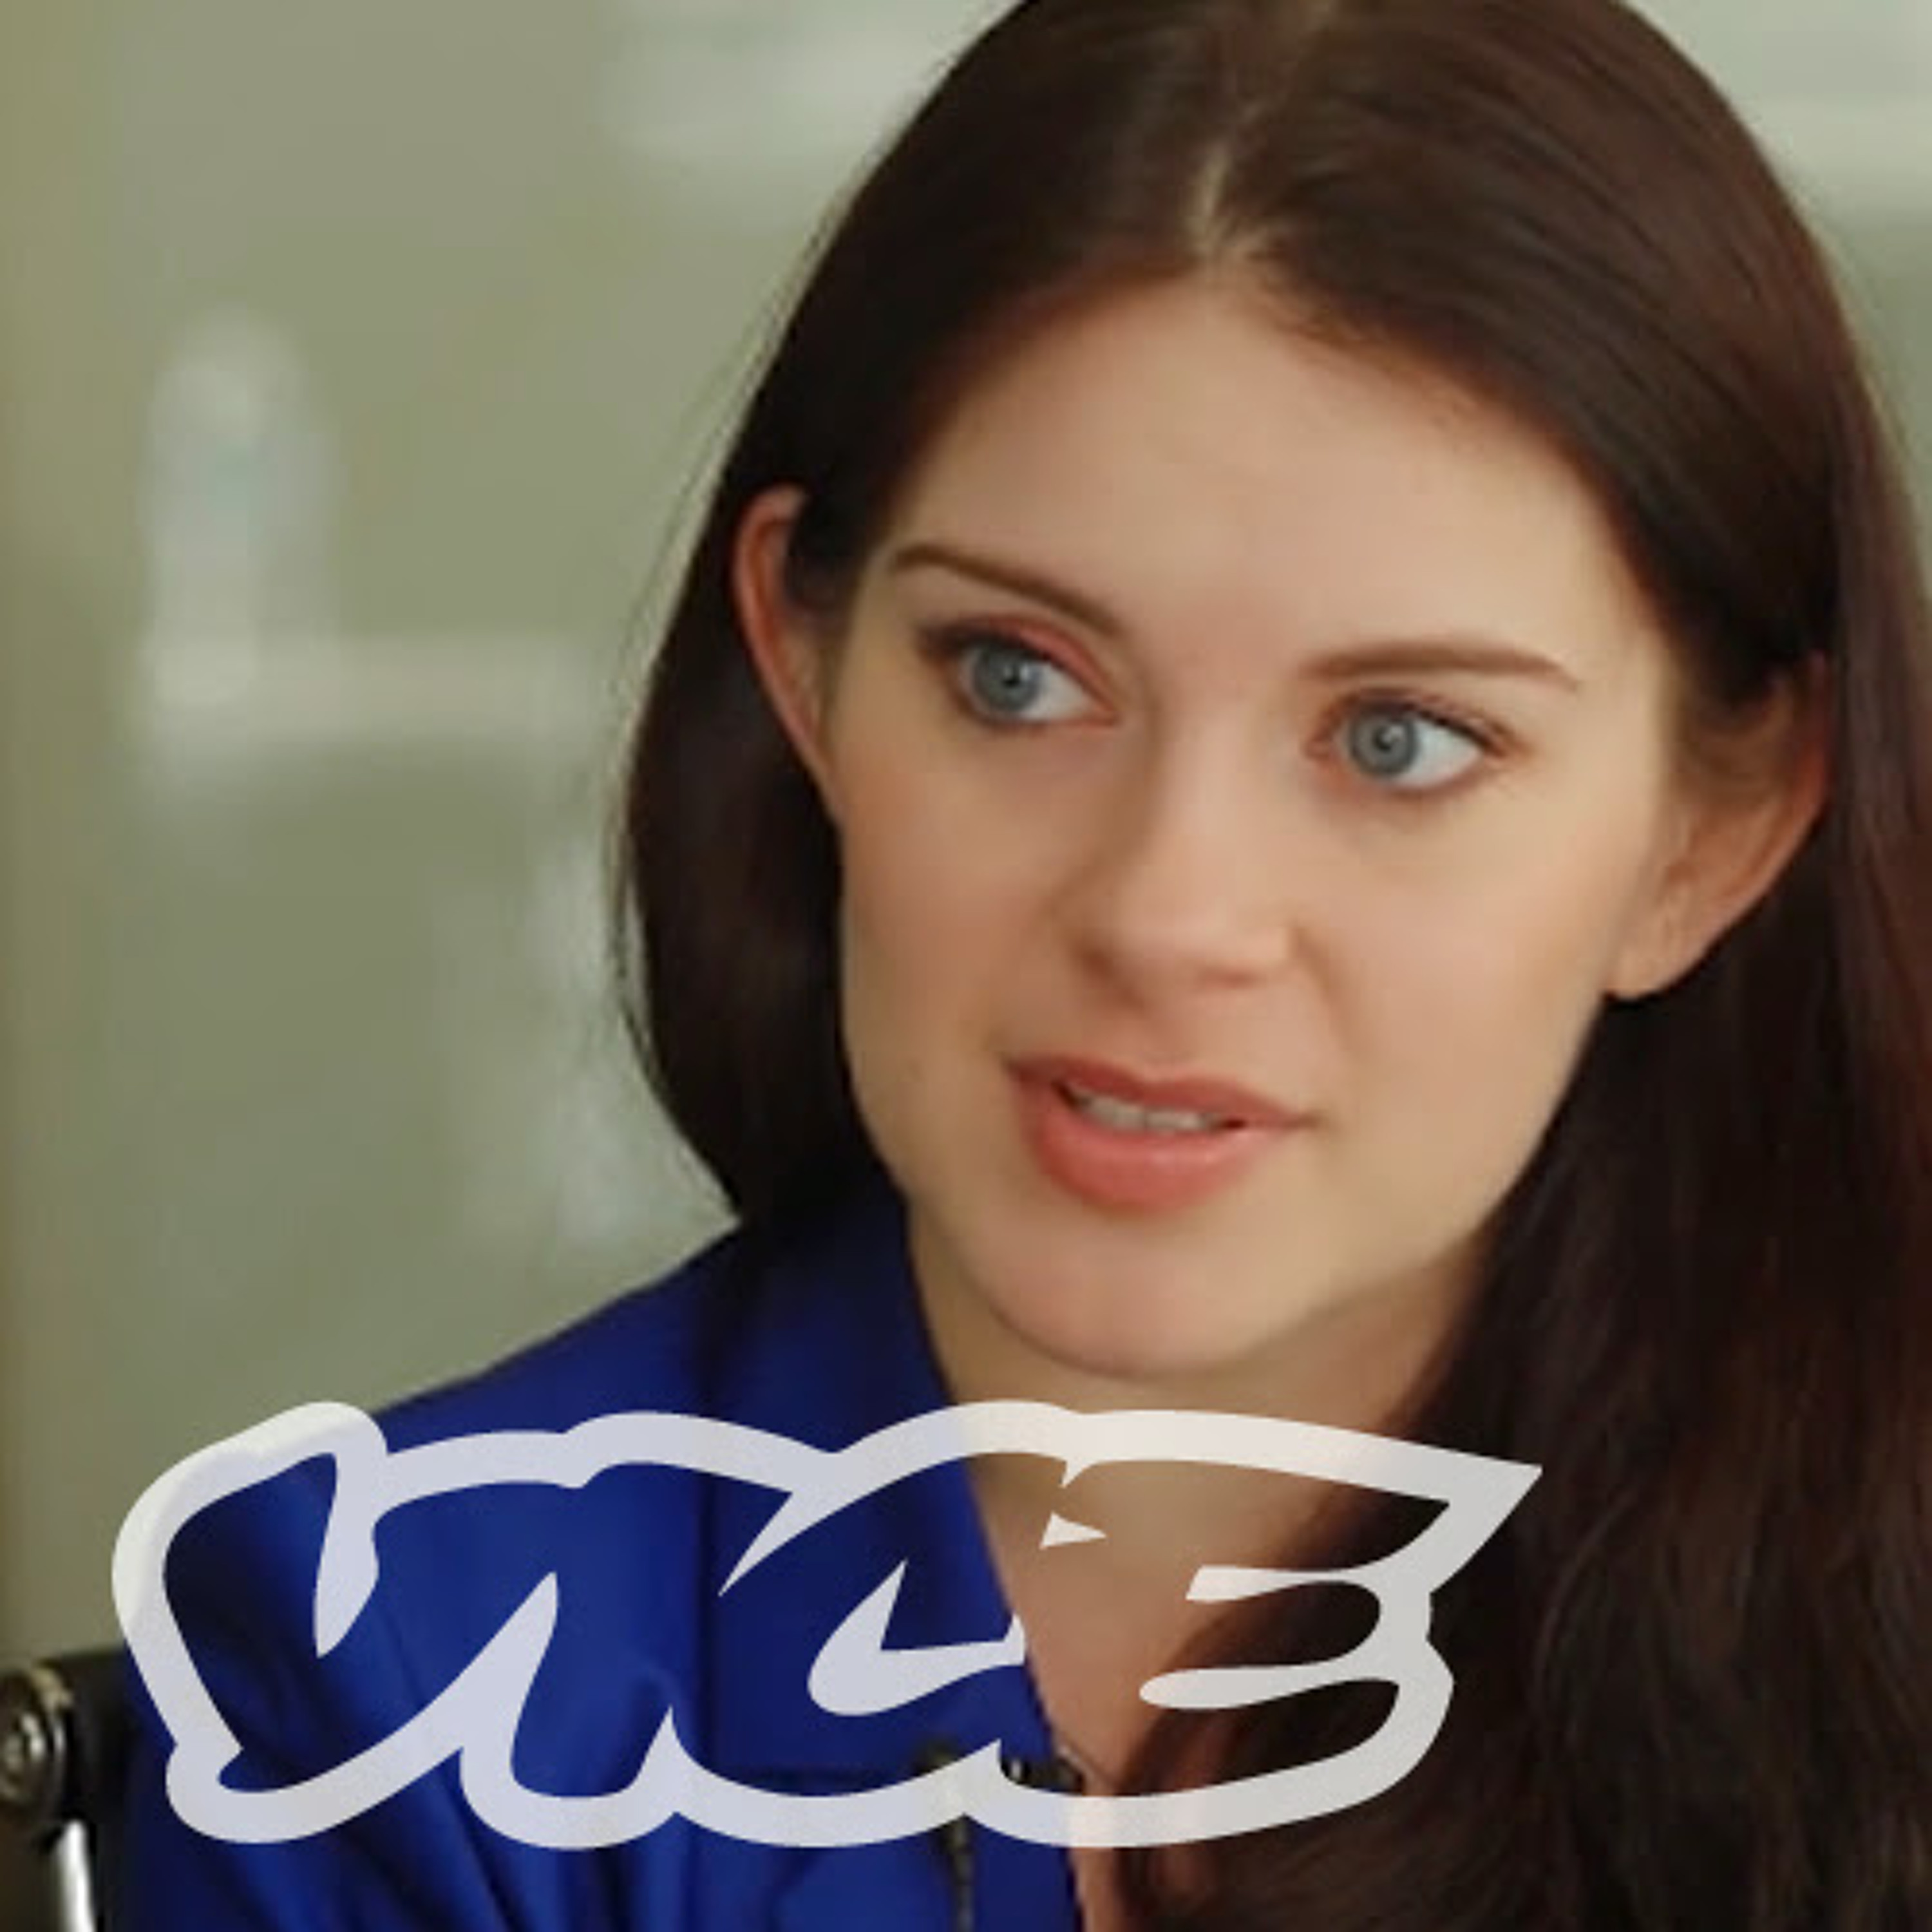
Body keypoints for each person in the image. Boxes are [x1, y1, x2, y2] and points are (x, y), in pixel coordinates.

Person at [124, 0, 1932, 1926]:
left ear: (1718, 825)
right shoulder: (391, 1671)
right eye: (1017, 677)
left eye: (1401, 740)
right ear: (805, 665)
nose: (1168, 912)